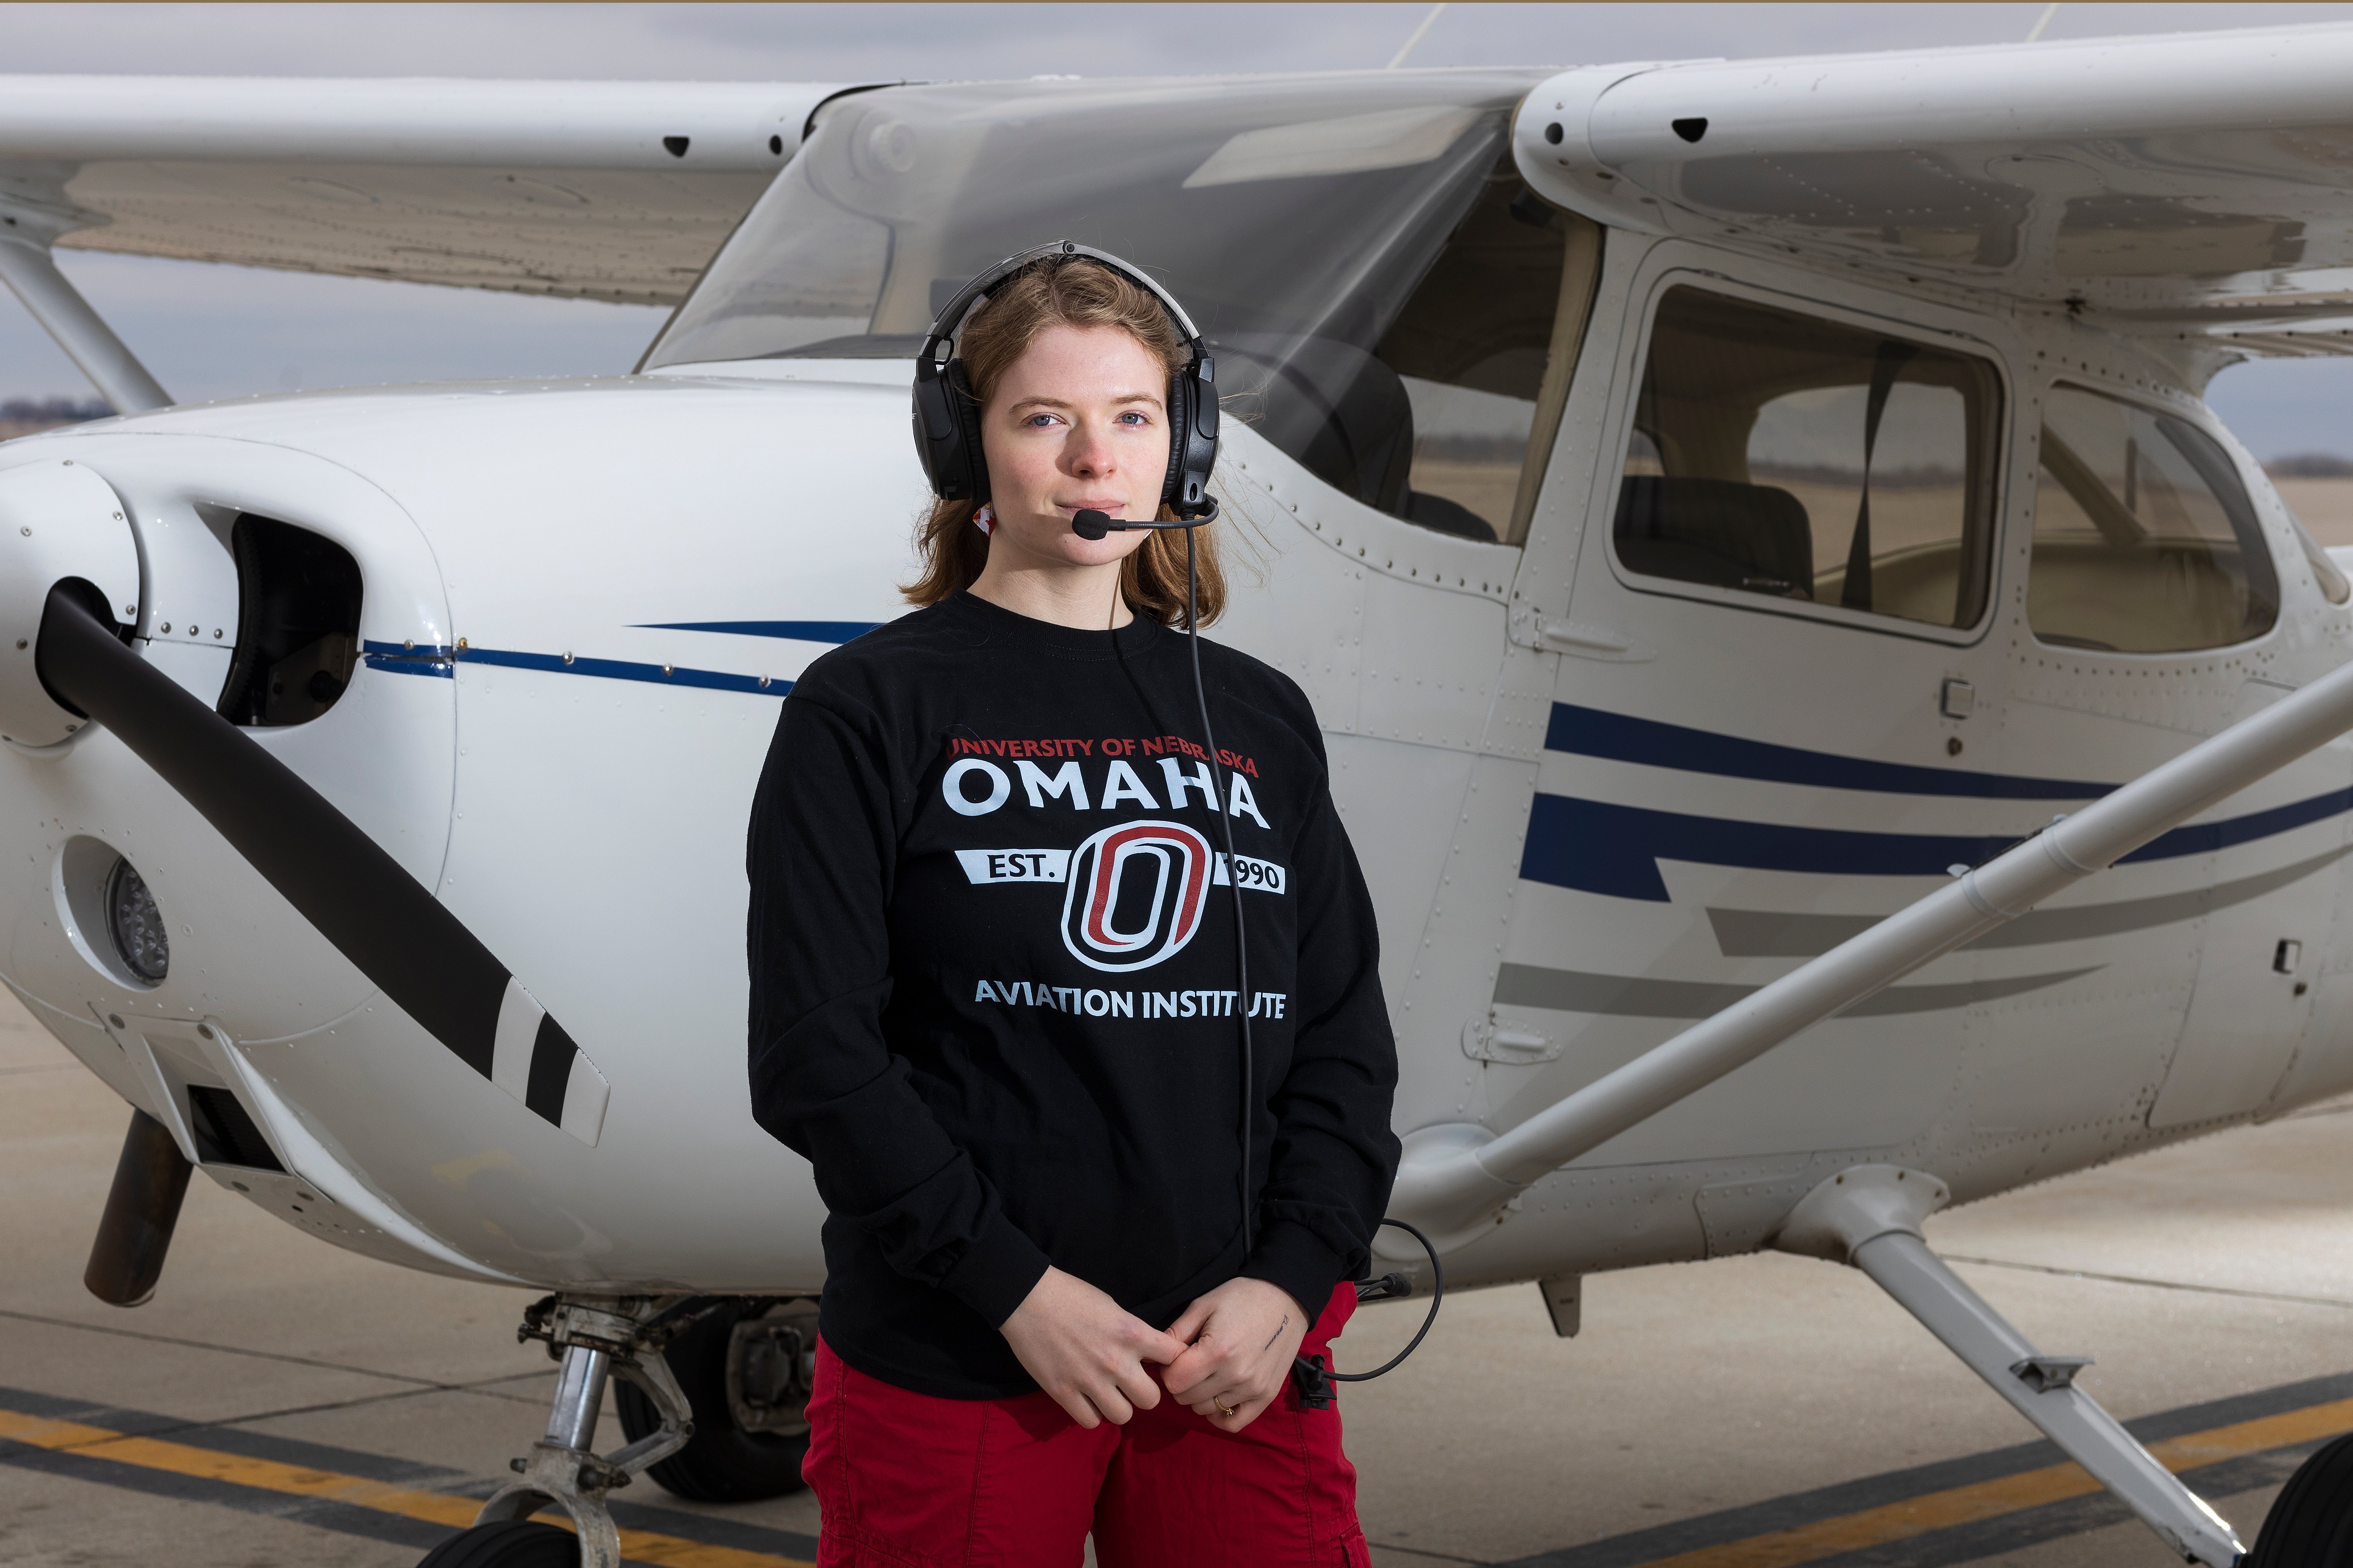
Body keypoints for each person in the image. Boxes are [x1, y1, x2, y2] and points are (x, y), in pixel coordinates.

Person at [745, 246, 1399, 1567]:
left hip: (1228, 1361)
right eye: (1046, 419)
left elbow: (1340, 1037)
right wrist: (1017, 1292)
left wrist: (1294, 1282)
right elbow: (817, 1057)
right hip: (967, 1350)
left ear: (1185, 445)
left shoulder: (1262, 717)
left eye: (1135, 418)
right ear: (966, 448)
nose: (1097, 457)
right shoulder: (866, 708)